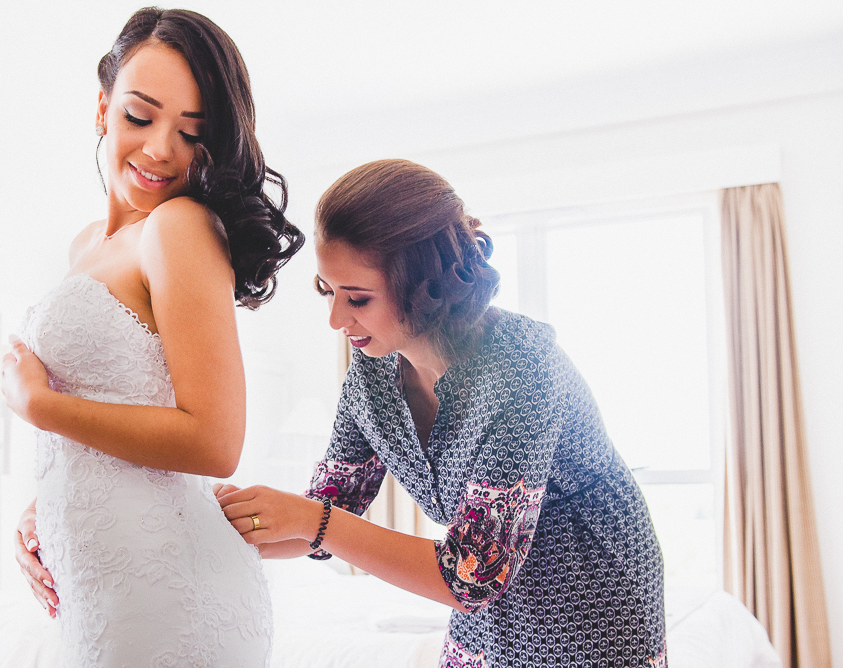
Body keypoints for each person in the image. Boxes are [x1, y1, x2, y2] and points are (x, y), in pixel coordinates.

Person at [213, 159, 667, 667]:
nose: (336, 319)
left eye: (357, 298)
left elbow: (467, 574)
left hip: (590, 605)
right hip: (483, 602)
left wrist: (312, 520)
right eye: (328, 291)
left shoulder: (523, 366)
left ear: (421, 284)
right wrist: (219, 536)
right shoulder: (371, 376)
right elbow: (329, 510)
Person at [3, 8, 302, 667]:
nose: (162, 148)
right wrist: (44, 506)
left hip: (169, 591)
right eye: (141, 116)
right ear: (103, 108)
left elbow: (215, 441)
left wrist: (39, 406)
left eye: (192, 133)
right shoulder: (86, 244)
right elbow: (125, 403)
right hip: (100, 589)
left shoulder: (180, 227)